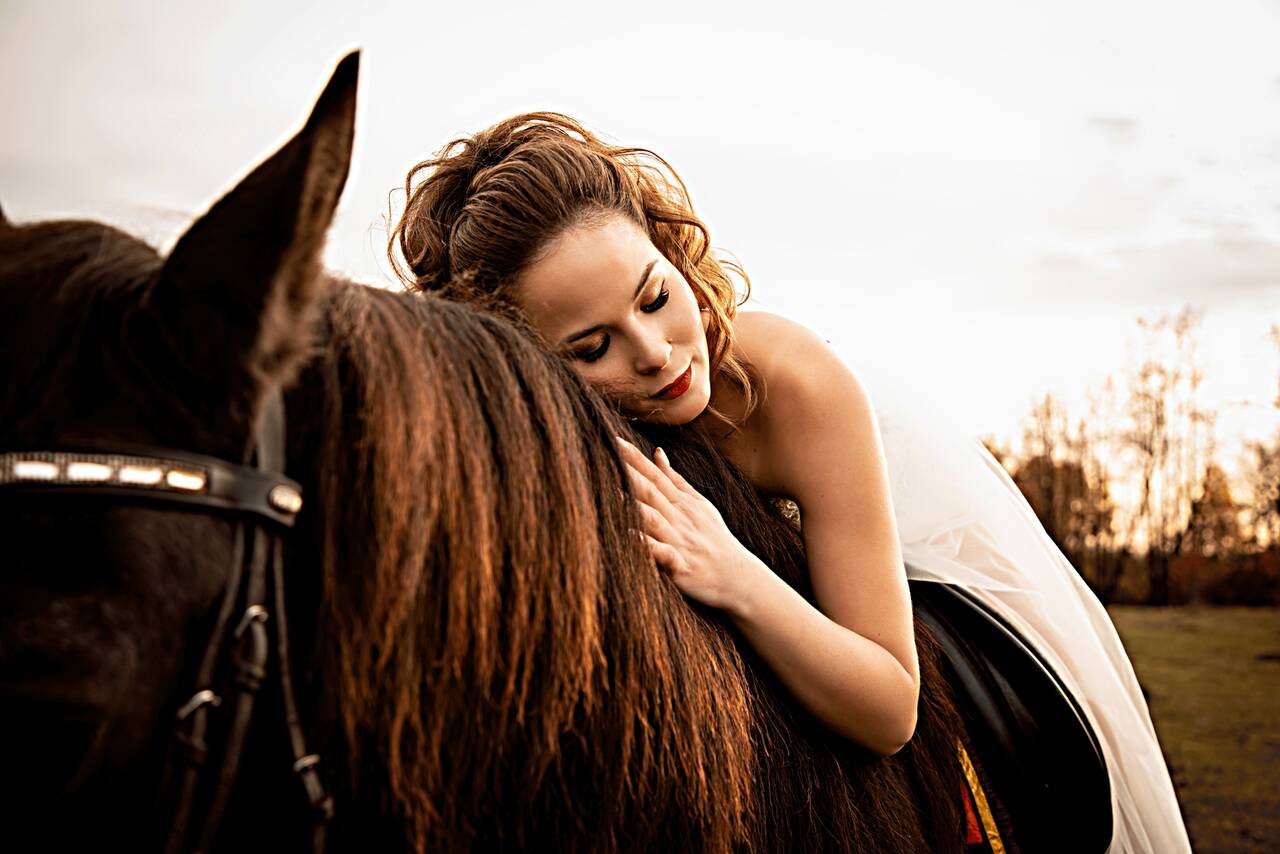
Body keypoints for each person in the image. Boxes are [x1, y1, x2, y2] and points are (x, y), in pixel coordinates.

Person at [387, 113, 1191, 852]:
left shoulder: (797, 389)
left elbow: (890, 710)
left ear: (671, 248)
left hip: (865, 556)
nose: (658, 354)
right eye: (593, 348)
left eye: (655, 297)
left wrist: (734, 572)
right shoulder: (551, 441)